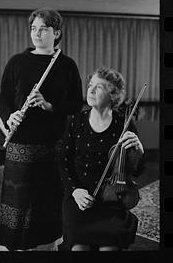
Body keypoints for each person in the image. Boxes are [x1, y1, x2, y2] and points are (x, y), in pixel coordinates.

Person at [0, 7, 83, 251]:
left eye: (44, 29)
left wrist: (50, 105)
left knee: (47, 202)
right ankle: (12, 246)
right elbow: (2, 97)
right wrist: (9, 116)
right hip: (19, 144)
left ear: (56, 33)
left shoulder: (66, 65)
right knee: (17, 202)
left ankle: (45, 247)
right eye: (34, 28)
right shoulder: (17, 62)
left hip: (51, 144)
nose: (37, 33)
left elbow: (76, 104)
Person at [58, 67, 145, 251]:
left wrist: (139, 150)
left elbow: (136, 170)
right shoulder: (75, 121)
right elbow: (63, 162)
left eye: (98, 87)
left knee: (109, 249)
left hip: (111, 201)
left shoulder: (124, 124)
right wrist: (75, 191)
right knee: (79, 249)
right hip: (80, 198)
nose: (90, 89)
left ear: (113, 95)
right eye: (90, 85)